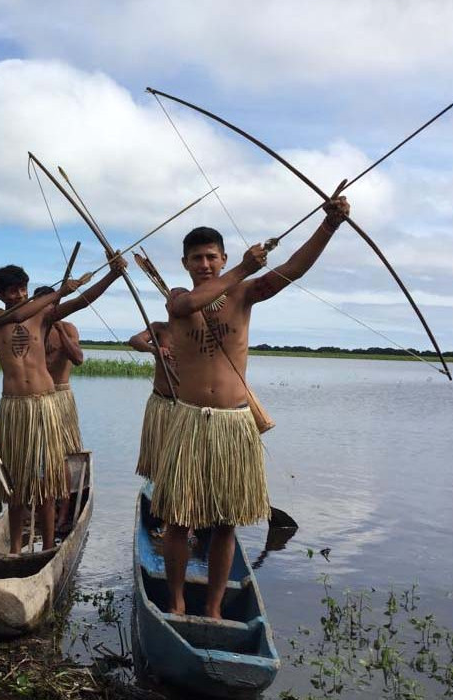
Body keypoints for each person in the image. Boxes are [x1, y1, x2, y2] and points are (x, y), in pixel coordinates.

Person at [153, 196, 350, 617]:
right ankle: (176, 601)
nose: (204, 264)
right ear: (185, 263)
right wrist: (244, 267)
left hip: (234, 423)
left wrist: (329, 226)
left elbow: (292, 269)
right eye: (196, 258)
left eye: (211, 257)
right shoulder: (179, 296)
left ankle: (215, 608)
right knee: (177, 520)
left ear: (221, 257)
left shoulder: (244, 294)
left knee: (226, 522)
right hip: (188, 420)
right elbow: (185, 307)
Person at [0, 257, 126, 554]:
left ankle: (49, 548)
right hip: (14, 408)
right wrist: (59, 291)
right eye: (10, 291)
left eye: (21, 289)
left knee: (48, 482)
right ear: (0, 294)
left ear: (26, 289)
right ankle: (14, 550)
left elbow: (82, 301)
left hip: (45, 405)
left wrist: (112, 276)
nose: (17, 295)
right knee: (15, 486)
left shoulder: (43, 317)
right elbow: (16, 315)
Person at [33, 288, 85, 456]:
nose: (47, 309)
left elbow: (78, 359)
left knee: (64, 451)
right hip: (36, 396)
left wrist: (60, 331)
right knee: (35, 448)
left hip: (61, 394)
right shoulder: (31, 330)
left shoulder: (68, 329)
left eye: (51, 304)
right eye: (42, 304)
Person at [128, 321, 176, 483]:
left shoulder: (194, 330)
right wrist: (154, 350)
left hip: (186, 406)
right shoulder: (160, 328)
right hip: (161, 404)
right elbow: (135, 340)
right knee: (159, 459)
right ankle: (157, 491)